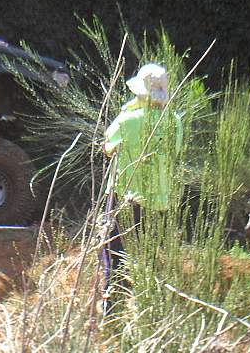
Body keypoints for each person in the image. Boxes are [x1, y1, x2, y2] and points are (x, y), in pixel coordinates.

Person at [100, 63, 182, 315]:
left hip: (126, 197)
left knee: (115, 251)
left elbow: (107, 147)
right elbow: (175, 153)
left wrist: (129, 111)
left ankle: (112, 306)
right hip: (159, 201)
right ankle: (147, 308)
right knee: (148, 254)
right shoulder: (175, 122)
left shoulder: (127, 119)